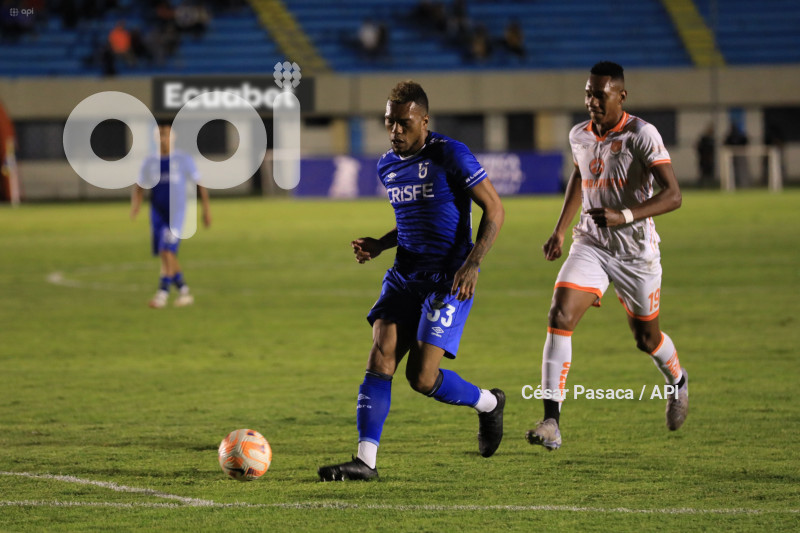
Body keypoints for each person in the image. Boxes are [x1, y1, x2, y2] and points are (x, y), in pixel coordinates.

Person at [318, 81, 506, 481]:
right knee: (380, 353)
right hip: (404, 274)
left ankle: (489, 403)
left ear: (424, 120)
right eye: (390, 123)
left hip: (447, 278)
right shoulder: (387, 165)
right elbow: (411, 219)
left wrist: (472, 264)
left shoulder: (450, 154)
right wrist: (380, 244)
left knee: (421, 379)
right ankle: (365, 462)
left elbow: (494, 208)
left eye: (404, 123)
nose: (396, 131)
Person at [526, 62, 687, 451]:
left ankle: (678, 381)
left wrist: (625, 216)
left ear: (621, 96)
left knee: (646, 338)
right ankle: (552, 421)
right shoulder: (578, 134)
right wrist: (560, 230)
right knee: (559, 315)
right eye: (588, 93)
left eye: (600, 94)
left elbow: (674, 195)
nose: (592, 101)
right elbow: (580, 178)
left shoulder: (642, 134)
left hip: (635, 253)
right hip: (592, 243)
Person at [130, 120, 211, 309]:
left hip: (177, 213)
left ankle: (164, 294)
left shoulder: (183, 160)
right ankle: (182, 290)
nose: (163, 139)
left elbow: (200, 184)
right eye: (160, 135)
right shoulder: (150, 162)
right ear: (155, 138)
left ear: (173, 137)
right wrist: (136, 205)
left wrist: (206, 210)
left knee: (167, 250)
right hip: (157, 213)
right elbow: (139, 186)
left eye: (166, 134)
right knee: (164, 252)